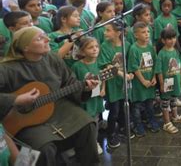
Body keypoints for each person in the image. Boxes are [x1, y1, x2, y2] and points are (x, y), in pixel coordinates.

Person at [0, 26, 100, 166]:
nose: (48, 39)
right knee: (43, 148)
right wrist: (15, 99)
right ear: (25, 47)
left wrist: (85, 88)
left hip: (57, 106)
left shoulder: (52, 58)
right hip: (22, 120)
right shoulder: (6, 69)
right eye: (40, 38)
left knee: (87, 125)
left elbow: (69, 81)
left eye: (45, 35)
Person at [97, 22, 133, 149]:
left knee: (124, 107)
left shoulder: (127, 45)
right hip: (112, 83)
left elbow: (131, 62)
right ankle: (111, 133)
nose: (105, 33)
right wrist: (122, 74)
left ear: (118, 33)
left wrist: (131, 74)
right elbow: (106, 65)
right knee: (114, 110)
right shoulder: (104, 46)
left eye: (108, 30)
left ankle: (123, 128)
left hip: (124, 84)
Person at [71, 36, 105, 155]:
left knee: (95, 120)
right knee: (85, 123)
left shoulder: (99, 62)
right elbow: (73, 84)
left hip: (96, 99)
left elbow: (103, 76)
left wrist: (103, 89)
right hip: (84, 100)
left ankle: (94, 142)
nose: (95, 49)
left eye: (96, 46)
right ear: (82, 51)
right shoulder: (76, 66)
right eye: (90, 47)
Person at [128, 22, 160, 136]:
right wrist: (143, 81)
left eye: (148, 32)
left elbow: (155, 63)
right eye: (143, 32)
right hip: (139, 85)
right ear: (136, 35)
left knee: (150, 105)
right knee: (136, 107)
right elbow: (134, 67)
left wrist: (154, 77)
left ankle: (151, 122)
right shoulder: (133, 49)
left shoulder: (151, 47)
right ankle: (138, 126)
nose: (147, 34)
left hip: (150, 83)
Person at [156, 27, 181, 133]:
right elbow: (159, 70)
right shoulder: (161, 54)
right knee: (165, 102)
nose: (172, 40)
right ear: (163, 40)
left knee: (174, 99)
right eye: (169, 38)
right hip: (166, 82)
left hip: (176, 81)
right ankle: (167, 123)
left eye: (174, 38)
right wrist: (161, 84)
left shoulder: (178, 52)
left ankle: (175, 116)